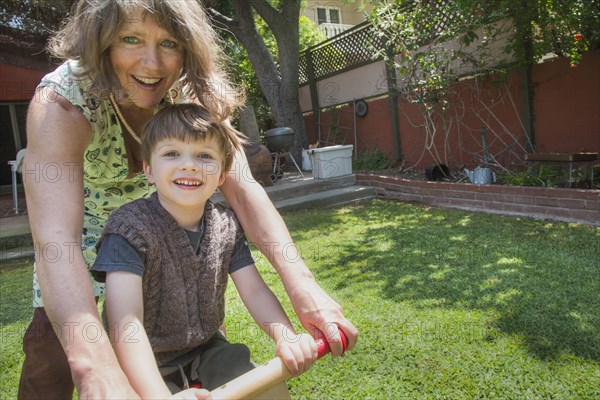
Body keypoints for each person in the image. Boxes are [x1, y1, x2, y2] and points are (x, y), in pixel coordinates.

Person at [20, 1, 358, 399]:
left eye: (170, 43)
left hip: (167, 246)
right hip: (77, 254)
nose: (152, 63)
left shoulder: (193, 90)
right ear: (102, 42)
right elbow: (56, 240)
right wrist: (95, 369)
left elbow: (243, 189)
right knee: (52, 368)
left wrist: (304, 287)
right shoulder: (61, 105)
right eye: (131, 39)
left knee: (200, 354)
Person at [91, 104, 317, 399]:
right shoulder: (129, 229)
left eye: (204, 156)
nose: (189, 165)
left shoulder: (226, 225)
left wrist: (284, 334)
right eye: (172, 153)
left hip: (207, 348)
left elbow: (254, 291)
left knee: (268, 388)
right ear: (148, 169)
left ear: (222, 175)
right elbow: (126, 322)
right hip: (140, 360)